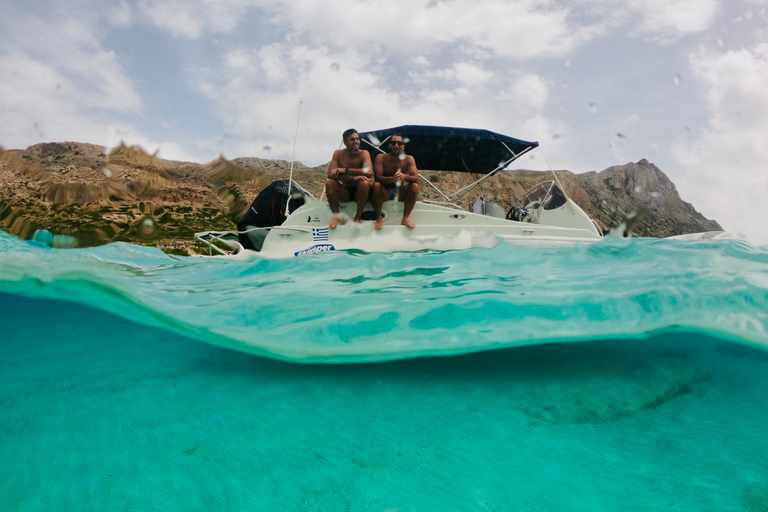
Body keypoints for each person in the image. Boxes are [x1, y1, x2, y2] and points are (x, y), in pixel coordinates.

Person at [326, 128, 373, 228]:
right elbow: (330, 174)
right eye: (352, 139)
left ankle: (357, 217)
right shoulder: (338, 154)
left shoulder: (364, 153)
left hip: (361, 192)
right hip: (345, 192)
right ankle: (336, 216)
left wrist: (345, 170)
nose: (356, 141)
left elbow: (369, 172)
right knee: (330, 182)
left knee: (364, 183)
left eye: (357, 139)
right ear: (345, 142)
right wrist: (353, 178)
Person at [372, 133, 419, 229]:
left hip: (399, 192)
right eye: (393, 143)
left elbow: (415, 177)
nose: (396, 146)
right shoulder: (381, 158)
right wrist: (392, 179)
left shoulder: (409, 159)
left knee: (414, 186)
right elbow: (377, 178)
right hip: (384, 191)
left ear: (403, 146)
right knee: (376, 185)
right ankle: (379, 218)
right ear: (389, 145)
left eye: (399, 143)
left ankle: (405, 218)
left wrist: (404, 176)